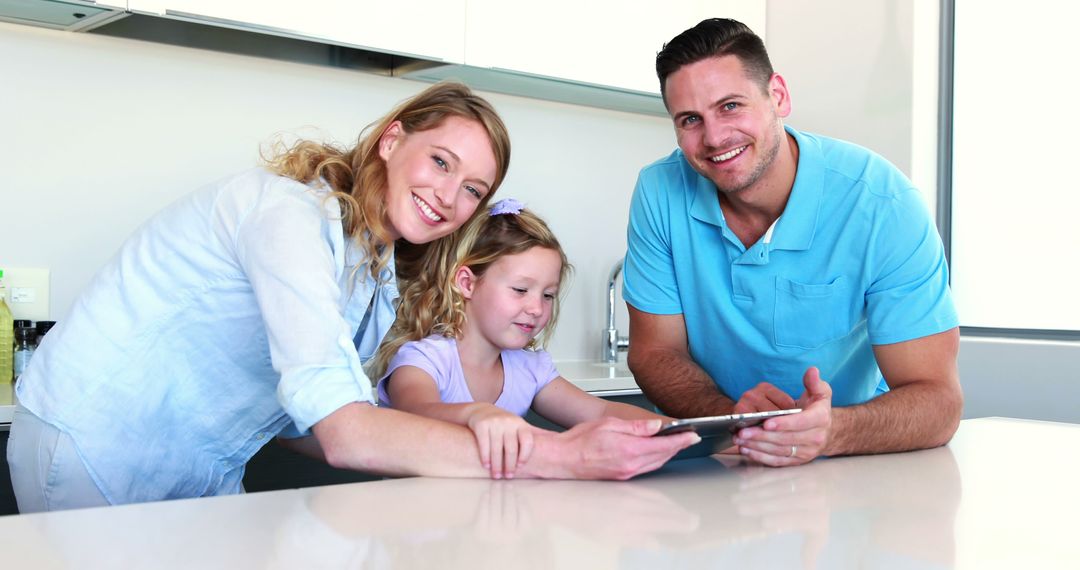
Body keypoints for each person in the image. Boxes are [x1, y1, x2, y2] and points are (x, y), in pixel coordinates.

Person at [8, 82, 698, 512]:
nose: (448, 197)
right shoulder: (286, 215)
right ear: (392, 141)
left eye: (473, 190)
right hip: (96, 447)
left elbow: (320, 416)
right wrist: (561, 457)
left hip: (199, 466)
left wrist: (477, 424)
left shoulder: (370, 274)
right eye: (439, 162)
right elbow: (343, 435)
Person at [622, 18, 962, 467]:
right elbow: (654, 352)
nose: (714, 137)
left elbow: (939, 402)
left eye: (730, 106)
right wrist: (732, 418)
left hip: (855, 461)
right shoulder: (660, 191)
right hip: (726, 460)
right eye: (690, 120)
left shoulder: (882, 203)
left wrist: (831, 430)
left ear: (777, 96)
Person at [372, 200, 667, 479]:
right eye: (520, 290)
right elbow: (416, 412)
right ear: (467, 284)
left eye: (548, 295)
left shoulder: (529, 369)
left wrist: (678, 431)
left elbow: (601, 412)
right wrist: (477, 414)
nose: (537, 308)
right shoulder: (422, 360)